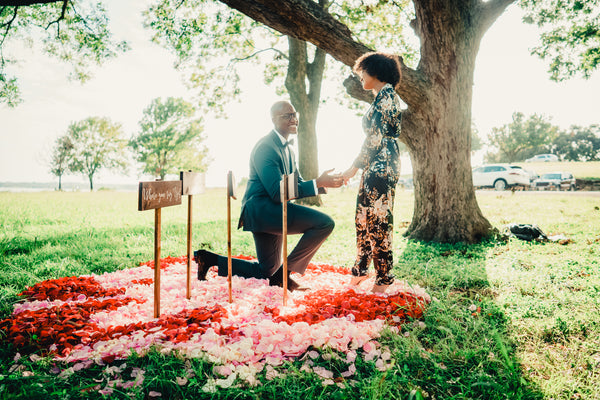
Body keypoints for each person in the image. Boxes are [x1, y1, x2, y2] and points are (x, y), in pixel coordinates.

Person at [194, 100, 344, 291]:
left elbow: (296, 183)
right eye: (287, 116)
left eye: (294, 114)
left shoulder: (289, 149)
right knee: (324, 223)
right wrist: (317, 183)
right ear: (273, 120)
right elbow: (276, 191)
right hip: (262, 210)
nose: (294, 119)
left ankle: (209, 259)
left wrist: (321, 183)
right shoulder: (266, 147)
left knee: (266, 271)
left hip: (271, 210)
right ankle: (283, 276)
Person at [342, 52, 403, 294]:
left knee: (377, 220)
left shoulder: (387, 96)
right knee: (364, 217)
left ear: (375, 72)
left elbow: (375, 138)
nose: (360, 79)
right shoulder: (380, 97)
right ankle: (361, 269)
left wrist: (353, 167)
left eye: (362, 73)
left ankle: (384, 277)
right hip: (375, 164)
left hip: (383, 164)